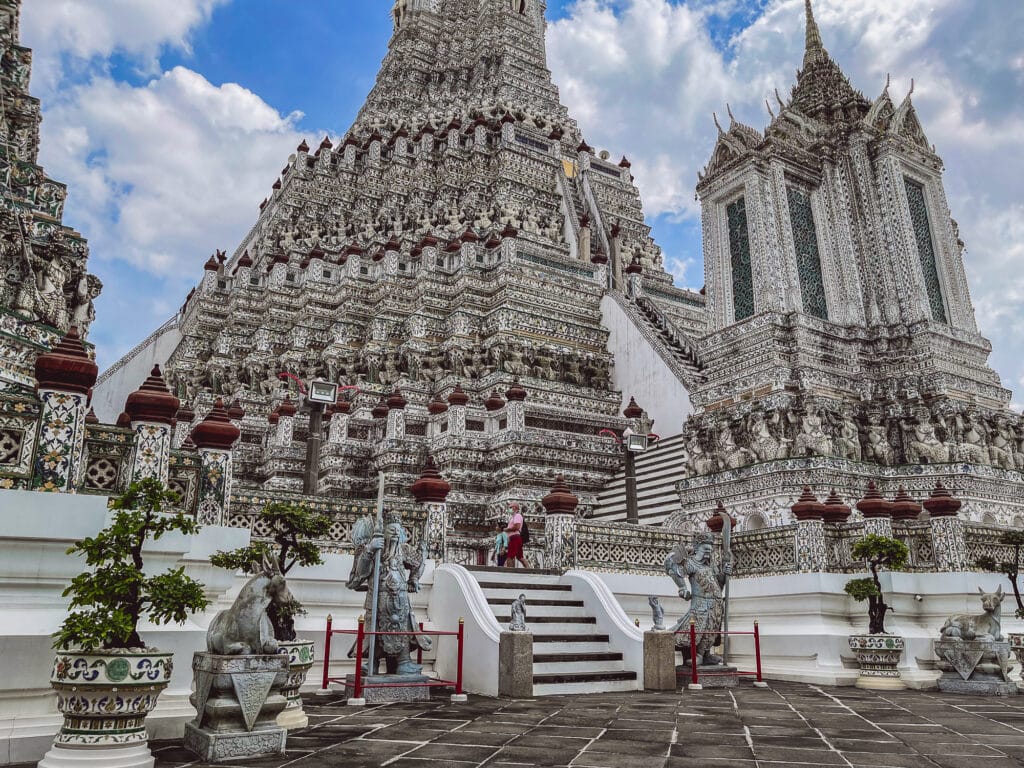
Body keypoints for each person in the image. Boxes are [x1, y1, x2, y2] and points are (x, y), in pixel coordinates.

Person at [503, 503, 528, 569]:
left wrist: (507, 529)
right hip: (514, 537)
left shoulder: (517, 516)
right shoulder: (513, 517)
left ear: (515, 508)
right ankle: (528, 569)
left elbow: (517, 526)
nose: (509, 509)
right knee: (520, 557)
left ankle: (509, 572)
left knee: (510, 556)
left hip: (514, 537)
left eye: (511, 507)